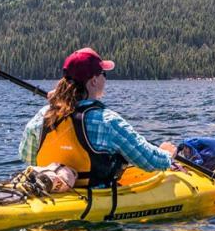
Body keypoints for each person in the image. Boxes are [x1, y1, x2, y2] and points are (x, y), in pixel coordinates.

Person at [18, 47, 177, 187]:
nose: (105, 78)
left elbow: (27, 156)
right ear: (93, 81)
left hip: (52, 188)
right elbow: (151, 161)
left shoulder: (44, 114)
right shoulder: (107, 121)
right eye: (103, 74)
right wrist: (167, 154)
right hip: (95, 196)